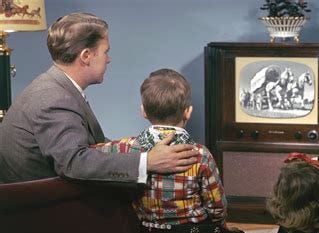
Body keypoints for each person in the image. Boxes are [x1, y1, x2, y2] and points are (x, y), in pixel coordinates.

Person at [0, 12, 198, 184]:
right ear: (86, 56)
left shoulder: (57, 87)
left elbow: (93, 144)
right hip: (50, 211)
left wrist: (145, 149)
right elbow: (74, 163)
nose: (109, 58)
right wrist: (148, 161)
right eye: (106, 52)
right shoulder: (53, 98)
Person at [92, 68, 251, 233]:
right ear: (188, 111)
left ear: (143, 111)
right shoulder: (199, 154)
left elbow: (88, 154)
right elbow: (216, 206)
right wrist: (220, 224)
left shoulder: (125, 148)